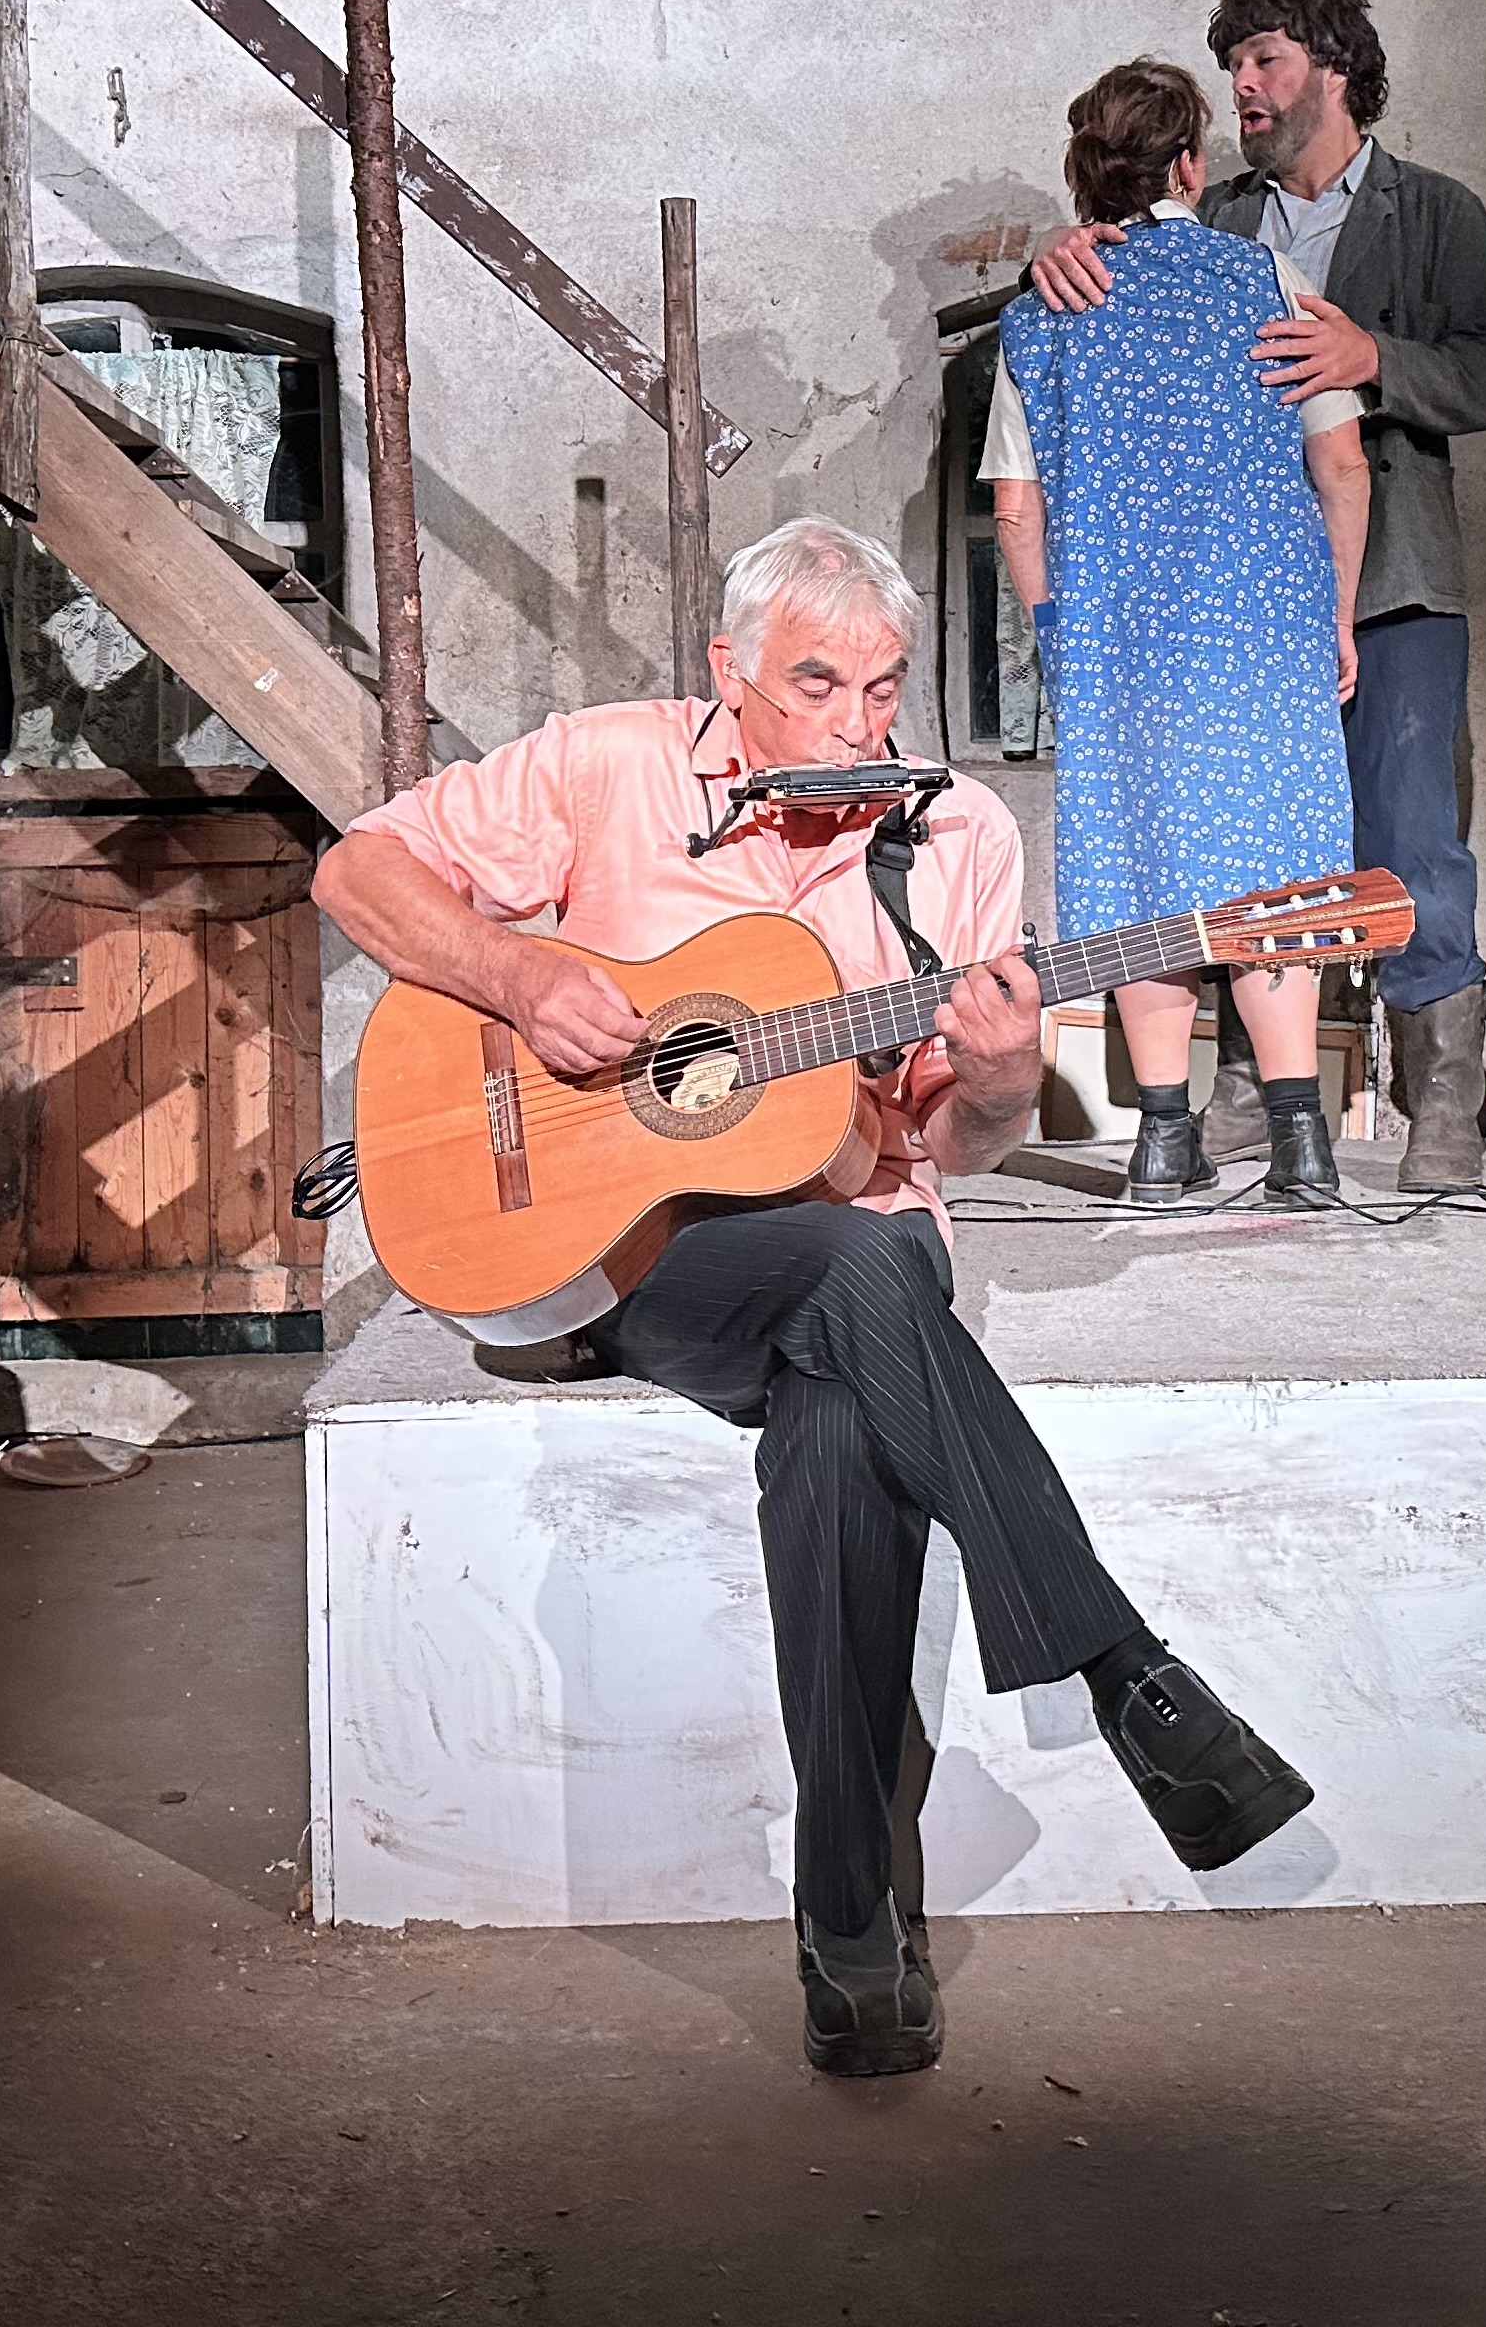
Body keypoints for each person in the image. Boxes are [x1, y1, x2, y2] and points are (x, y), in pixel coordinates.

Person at [310, 518, 1316, 2082]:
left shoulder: (955, 833)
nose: (859, 722)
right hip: (641, 1252)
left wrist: (1000, 1076)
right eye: (818, 685)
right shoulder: (610, 764)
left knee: (846, 1386)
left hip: (865, 1239)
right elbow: (356, 870)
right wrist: (519, 979)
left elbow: (955, 1142)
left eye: (885, 686)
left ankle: (849, 1919)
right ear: (732, 672)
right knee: (855, 1284)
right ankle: (1126, 1676)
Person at [1029, 0, 1486, 1191]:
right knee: (1243, 843)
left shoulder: (1436, 211)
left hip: (1395, 582)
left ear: (1333, 72)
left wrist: (1372, 355)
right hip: (1237, 607)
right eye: (1234, 67)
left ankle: (1442, 1094)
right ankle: (1259, 1091)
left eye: (1265, 61)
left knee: (1410, 837)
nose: (1243, 86)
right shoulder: (1225, 224)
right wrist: (1064, 251)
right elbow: (1127, 295)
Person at [986, 59, 1371, 1205]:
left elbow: (1015, 509)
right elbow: (1340, 461)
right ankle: (1301, 1142)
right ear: (1190, 166)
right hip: (1262, 631)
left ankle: (1162, 1139)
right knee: (1272, 875)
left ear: (1084, 176)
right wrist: (1335, 610)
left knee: (1141, 869)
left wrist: (1057, 630)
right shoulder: (1262, 276)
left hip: (1119, 641)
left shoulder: (1043, 313)